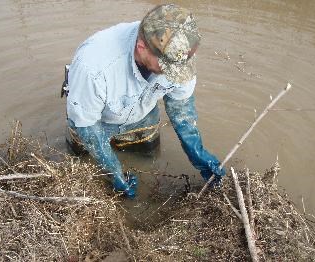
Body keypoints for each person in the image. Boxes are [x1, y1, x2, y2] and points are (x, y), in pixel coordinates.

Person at [63, 4, 225, 198]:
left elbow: (180, 107)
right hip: (91, 122)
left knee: (149, 157)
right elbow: (87, 126)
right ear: (141, 47)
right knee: (84, 167)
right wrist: (114, 173)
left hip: (142, 119)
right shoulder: (93, 67)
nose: (173, 73)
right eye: (167, 66)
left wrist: (197, 152)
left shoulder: (181, 56)